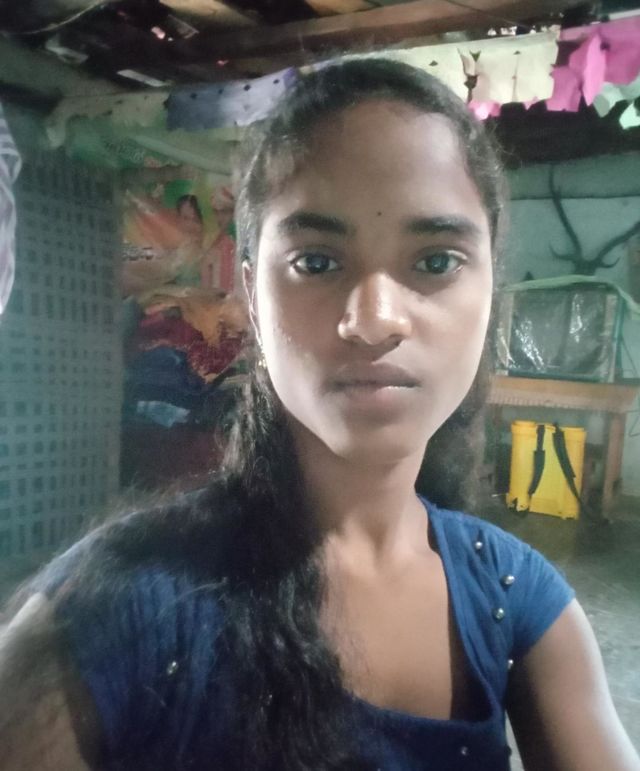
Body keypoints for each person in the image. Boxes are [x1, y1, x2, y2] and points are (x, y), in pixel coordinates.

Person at [1, 59, 639, 771]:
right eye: (316, 262)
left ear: (492, 289)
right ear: (251, 297)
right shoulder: (115, 615)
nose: (375, 320)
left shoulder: (515, 597)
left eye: (435, 262)